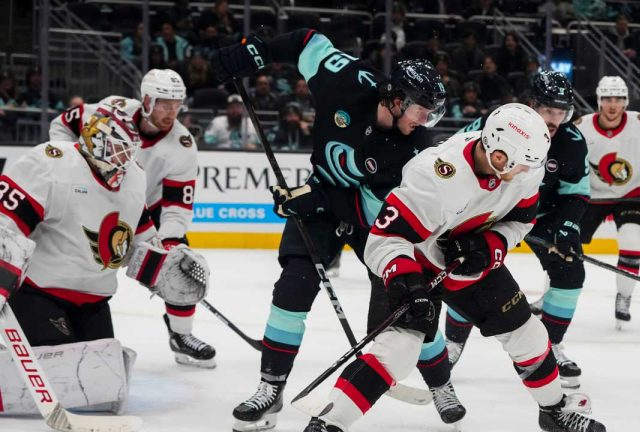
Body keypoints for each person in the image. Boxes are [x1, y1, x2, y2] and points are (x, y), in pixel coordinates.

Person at [212, 29, 467, 431]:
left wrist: (313, 200)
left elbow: (375, 210)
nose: (425, 121)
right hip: (323, 198)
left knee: (409, 303)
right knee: (292, 288)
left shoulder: (416, 150)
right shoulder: (347, 81)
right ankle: (270, 387)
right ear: (396, 99)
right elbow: (307, 41)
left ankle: (441, 384)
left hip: (377, 223)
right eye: (421, 110)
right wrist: (256, 54)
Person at [302, 103, 606, 432]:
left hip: (468, 262)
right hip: (414, 261)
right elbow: (385, 238)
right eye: (522, 164)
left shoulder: (526, 168)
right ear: (499, 156)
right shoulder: (434, 175)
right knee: (399, 350)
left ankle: (554, 411)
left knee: (528, 335)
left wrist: (491, 245)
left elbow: (521, 221)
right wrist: (405, 279)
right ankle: (327, 423)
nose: (528, 172)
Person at [0, 106, 209, 415]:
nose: (124, 161)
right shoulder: (51, 163)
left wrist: (165, 270)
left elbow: (140, 244)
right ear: (94, 142)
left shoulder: (134, 178)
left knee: (100, 388)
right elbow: (6, 226)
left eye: (129, 152)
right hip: (39, 294)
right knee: (67, 378)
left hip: (94, 301)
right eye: (117, 151)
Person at [48, 69, 217, 368]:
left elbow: (177, 205)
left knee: (181, 265)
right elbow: (62, 124)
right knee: (80, 258)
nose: (171, 112)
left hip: (145, 210)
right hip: (95, 197)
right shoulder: (112, 110)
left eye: (177, 105)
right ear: (147, 100)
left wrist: (170, 241)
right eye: (164, 104)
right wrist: (69, 166)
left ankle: (181, 335)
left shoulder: (182, 145)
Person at [443, 71, 591, 389]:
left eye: (562, 112)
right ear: (532, 104)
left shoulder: (571, 142)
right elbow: (457, 152)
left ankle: (550, 346)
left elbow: (577, 193)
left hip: (542, 213)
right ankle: (452, 344)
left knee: (571, 271)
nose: (555, 120)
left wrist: (566, 228)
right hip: (491, 206)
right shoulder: (500, 121)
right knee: (467, 267)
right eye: (549, 110)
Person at [575, 76, 640, 329]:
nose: (613, 105)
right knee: (565, 246)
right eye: (607, 99)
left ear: (626, 102)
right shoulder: (581, 128)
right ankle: (550, 295)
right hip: (593, 195)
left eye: (618, 99)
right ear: (599, 101)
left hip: (632, 195)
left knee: (632, 240)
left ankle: (624, 297)